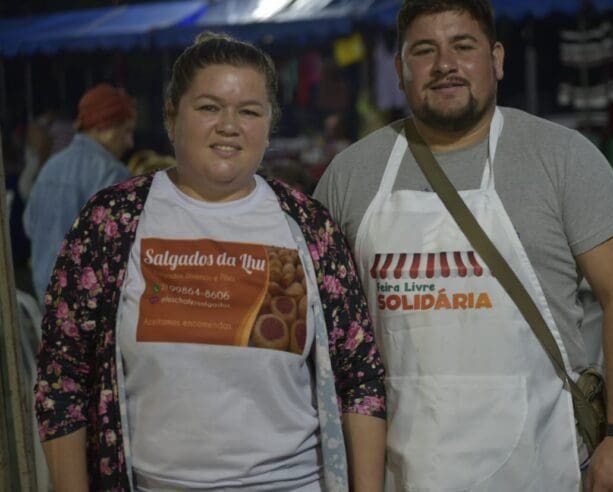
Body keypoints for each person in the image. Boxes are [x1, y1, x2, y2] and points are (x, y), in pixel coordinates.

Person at [313, 1, 613, 490]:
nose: (444, 65)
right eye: (425, 50)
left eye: (463, 46)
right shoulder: (349, 176)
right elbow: (326, 333)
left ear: (496, 59)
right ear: (400, 68)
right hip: (395, 472)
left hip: (545, 464)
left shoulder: (563, 158)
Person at [35, 32, 386, 491]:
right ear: (170, 116)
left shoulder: (307, 227)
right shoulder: (112, 222)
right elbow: (62, 378)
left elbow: (359, 378)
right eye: (208, 107)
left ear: (268, 125)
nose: (228, 125)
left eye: (248, 111)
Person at [23, 84, 135, 303]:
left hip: (46, 307)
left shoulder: (51, 167)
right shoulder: (112, 171)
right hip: (89, 316)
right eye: (127, 131)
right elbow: (119, 250)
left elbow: (28, 225)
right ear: (107, 127)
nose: (130, 142)